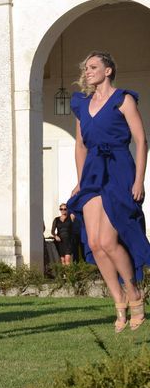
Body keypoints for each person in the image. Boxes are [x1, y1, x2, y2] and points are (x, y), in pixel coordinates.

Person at [67, 51, 149, 332]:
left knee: (109, 240)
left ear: (109, 70)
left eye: (93, 67)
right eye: (85, 67)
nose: (87, 71)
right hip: (91, 173)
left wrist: (139, 180)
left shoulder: (124, 100)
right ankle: (118, 303)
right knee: (94, 243)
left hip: (119, 170)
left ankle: (134, 293)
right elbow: (80, 145)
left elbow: (141, 140)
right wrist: (80, 180)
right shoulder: (81, 104)